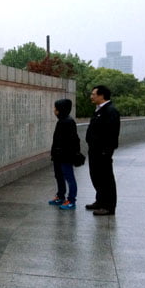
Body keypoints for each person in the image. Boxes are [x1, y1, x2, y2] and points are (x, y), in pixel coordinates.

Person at [85, 85, 120, 215]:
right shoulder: (99, 110)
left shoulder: (110, 111)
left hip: (103, 152)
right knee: (96, 177)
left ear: (101, 95)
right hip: (94, 150)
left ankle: (108, 207)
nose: (91, 96)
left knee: (106, 179)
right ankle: (100, 201)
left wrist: (107, 151)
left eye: (93, 94)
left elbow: (112, 133)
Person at [48, 98, 80, 210]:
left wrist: (72, 155)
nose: (54, 110)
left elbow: (74, 140)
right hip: (58, 156)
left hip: (65, 156)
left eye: (55, 108)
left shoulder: (68, 122)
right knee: (59, 177)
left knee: (69, 178)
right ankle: (60, 196)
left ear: (60, 109)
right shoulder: (62, 120)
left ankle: (71, 200)